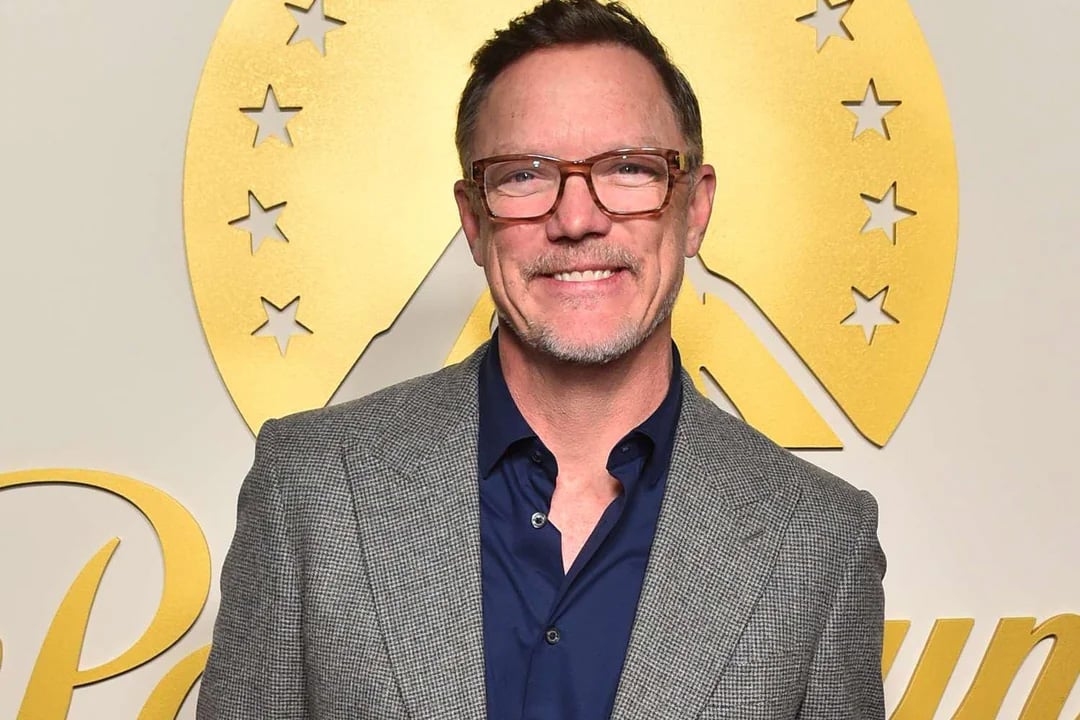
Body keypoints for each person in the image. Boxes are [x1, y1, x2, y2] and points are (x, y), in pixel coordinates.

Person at [197, 1, 886, 718]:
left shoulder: (819, 538)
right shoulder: (309, 488)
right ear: (474, 218)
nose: (577, 218)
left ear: (695, 207)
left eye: (629, 168)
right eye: (525, 175)